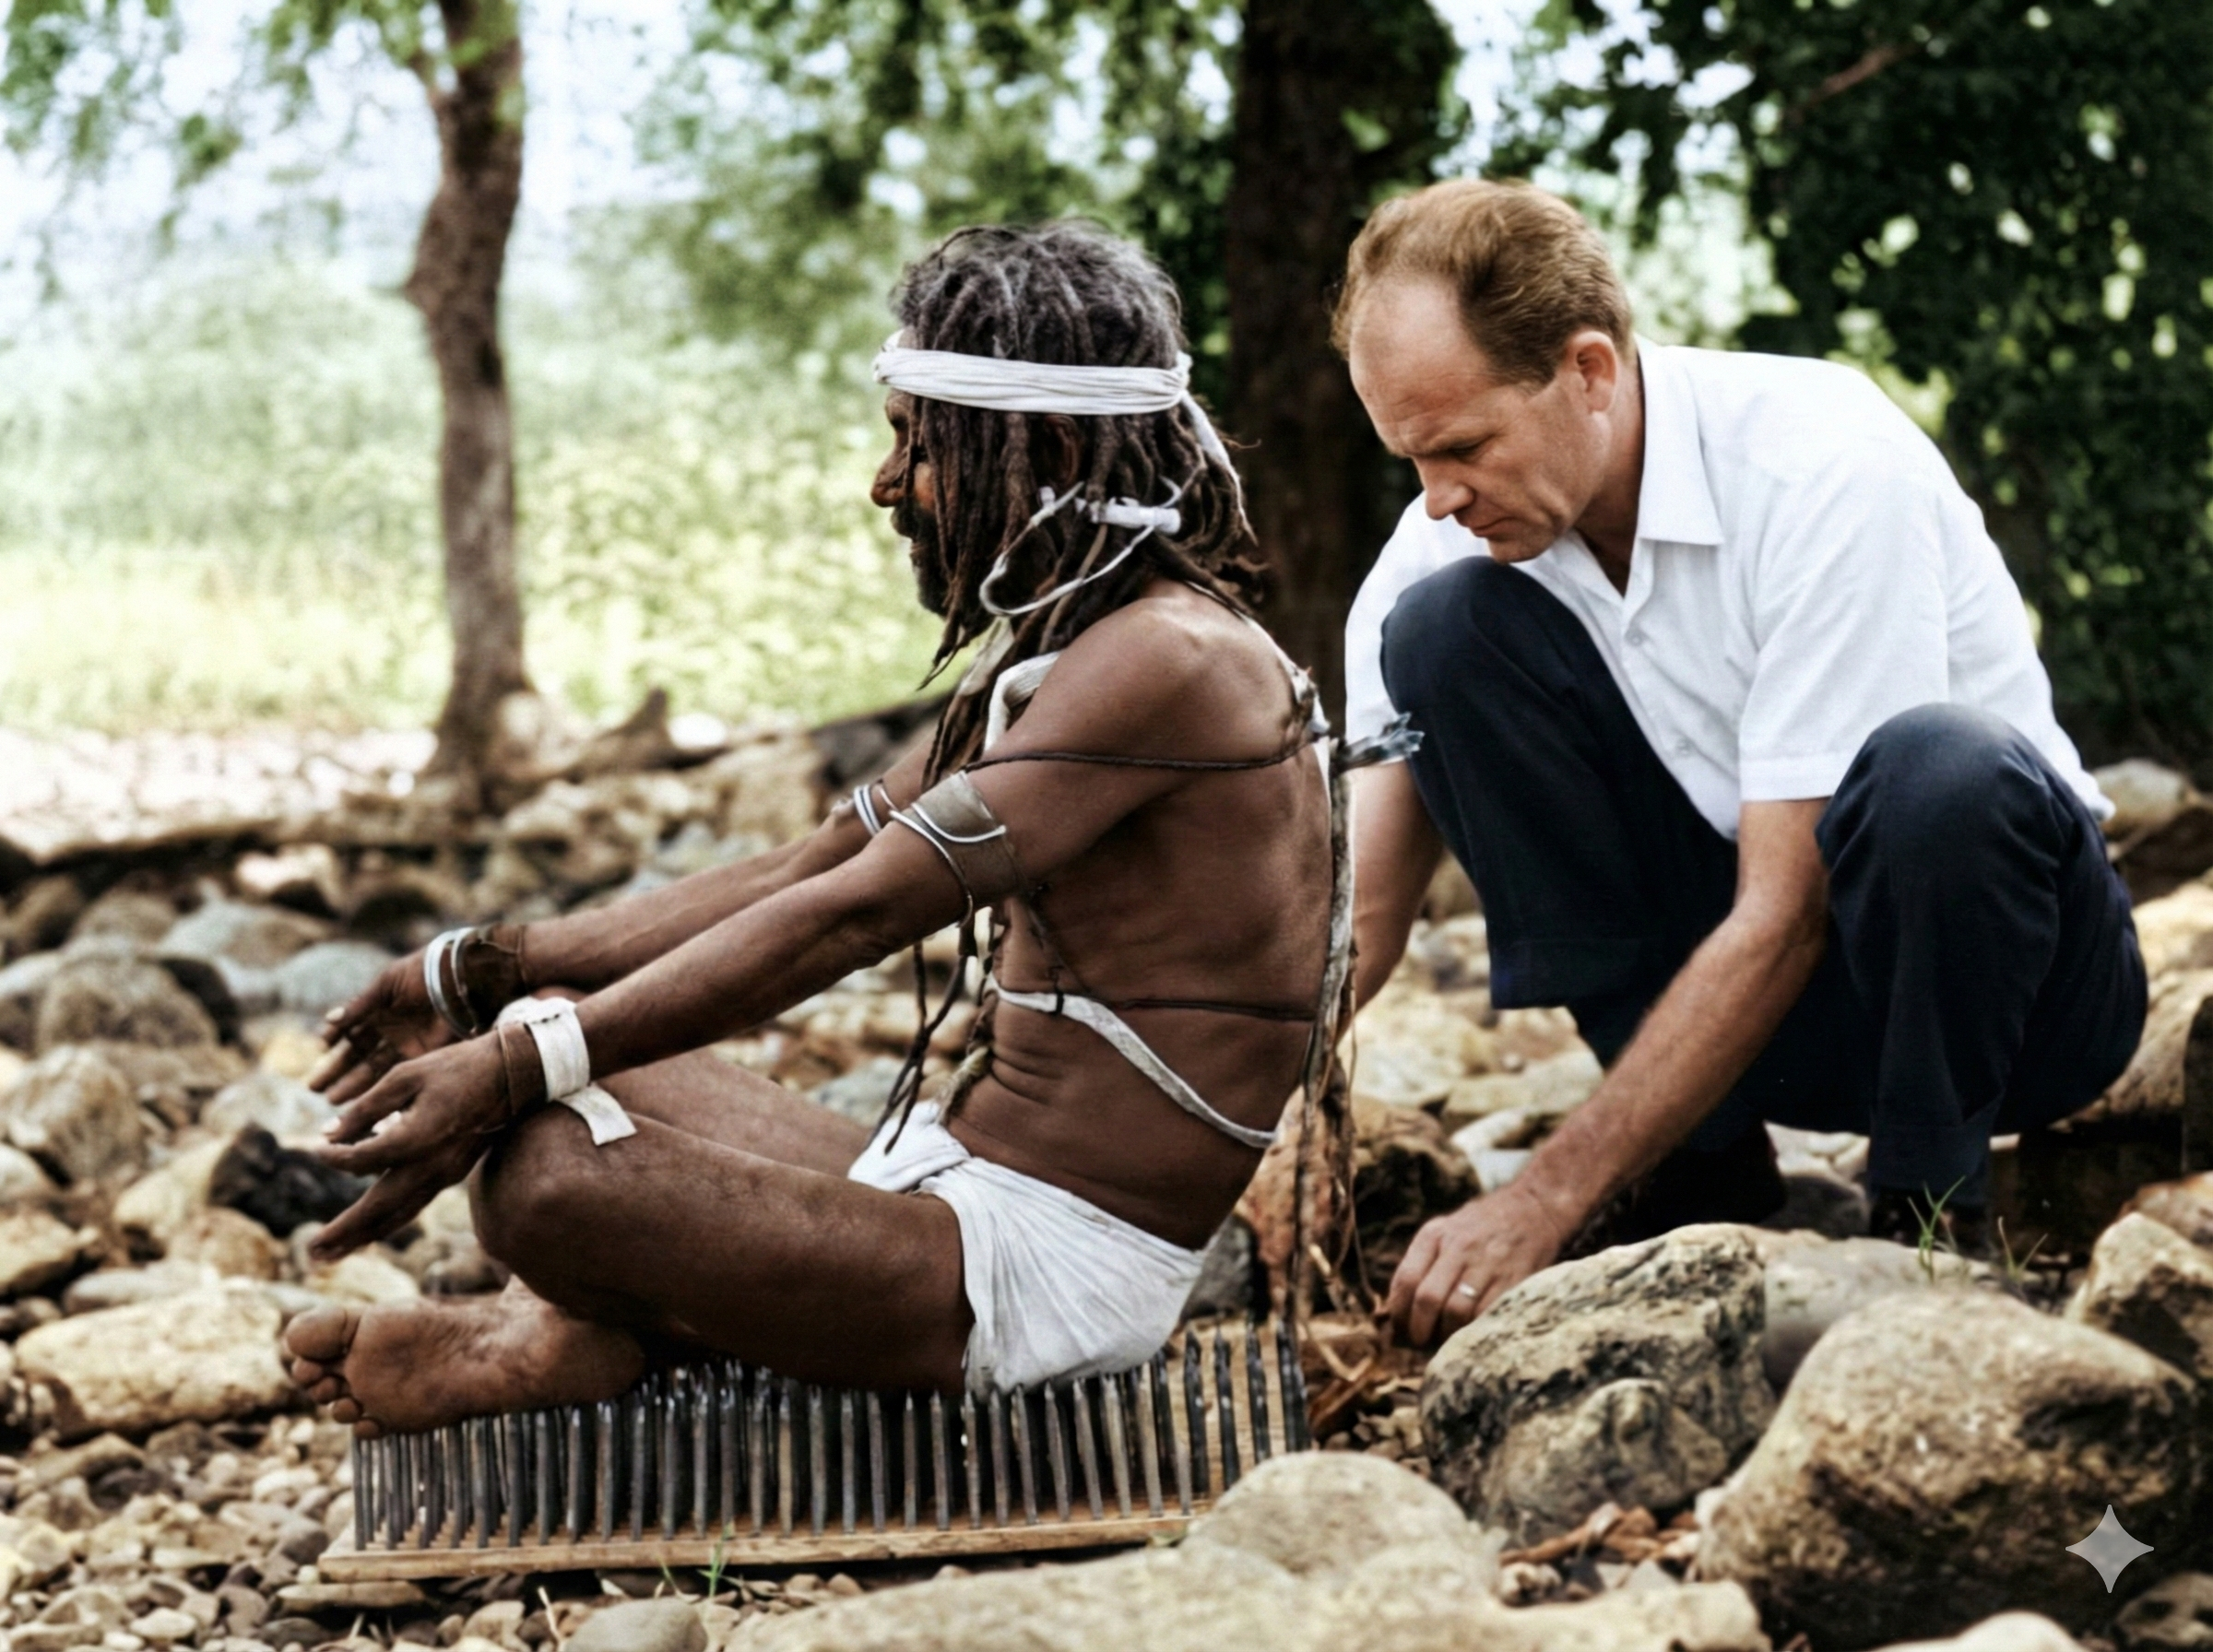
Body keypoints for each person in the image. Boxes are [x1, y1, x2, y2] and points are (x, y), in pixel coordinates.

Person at [281, 222, 1335, 1435]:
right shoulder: (1078, 644)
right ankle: (594, 1327)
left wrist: (516, 1072)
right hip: (949, 1180)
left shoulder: (1167, 662)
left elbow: (859, 909)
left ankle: (559, 1336)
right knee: (541, 1043)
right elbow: (816, 859)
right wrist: (484, 975)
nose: (887, 486)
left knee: (542, 1175)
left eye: (913, 443)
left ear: (1042, 446)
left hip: (1044, 1282)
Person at [1336, 179, 2148, 1349]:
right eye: (1410, 457)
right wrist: (1232, 1146)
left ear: (1591, 371)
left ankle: (1931, 1230)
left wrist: (1544, 1196)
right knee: (1442, 635)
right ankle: (1704, 1180)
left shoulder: (1822, 458)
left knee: (1936, 768)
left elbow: (1787, 908)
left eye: (1462, 446)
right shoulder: (1443, 543)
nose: (1438, 497)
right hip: (1776, 1035)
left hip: (2017, 999)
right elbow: (1357, 922)